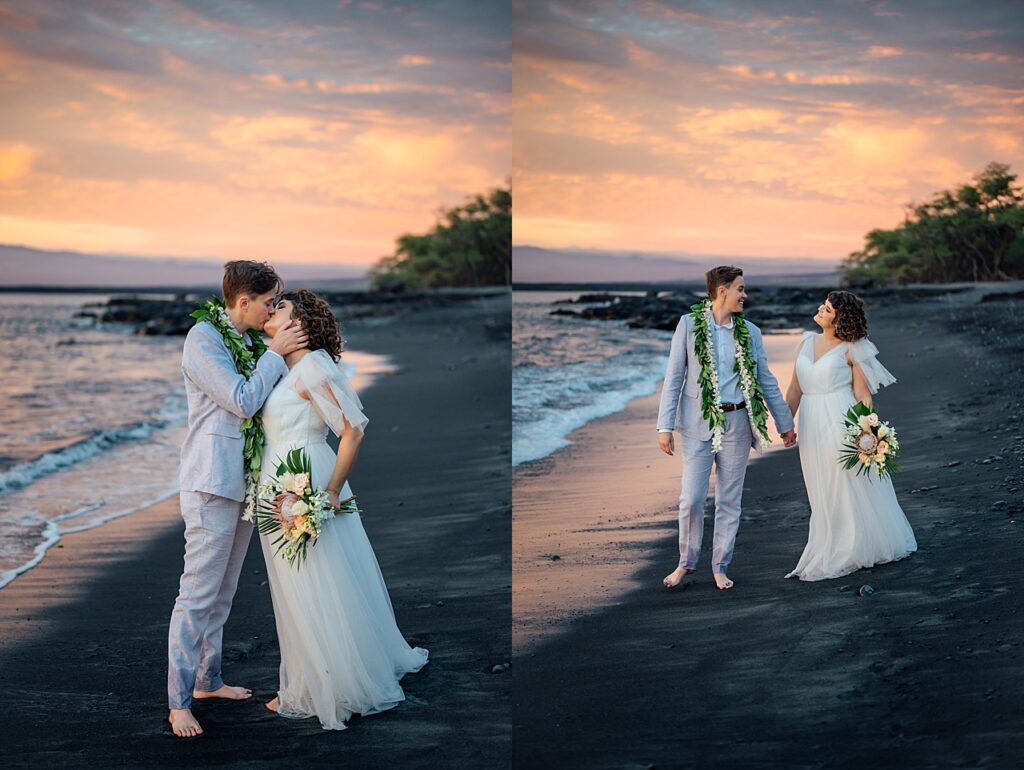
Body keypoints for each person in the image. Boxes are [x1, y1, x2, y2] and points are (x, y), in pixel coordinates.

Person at [258, 289, 427, 731]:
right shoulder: (280, 366)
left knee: (315, 580)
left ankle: (327, 685)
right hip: (279, 481)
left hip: (305, 479)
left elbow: (352, 432)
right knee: (297, 584)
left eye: (282, 308)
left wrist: (329, 493)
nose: (272, 312)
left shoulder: (312, 366)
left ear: (302, 325)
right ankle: (307, 678)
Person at [168, 260, 308, 738]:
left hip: (245, 483)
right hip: (210, 482)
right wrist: (275, 352)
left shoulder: (247, 342)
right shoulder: (203, 339)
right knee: (197, 595)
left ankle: (209, 680)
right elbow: (242, 400)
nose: (272, 309)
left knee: (222, 594)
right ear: (243, 301)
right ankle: (179, 702)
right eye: (269, 301)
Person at [657, 265, 796, 590]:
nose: (744, 295)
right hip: (697, 424)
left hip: (738, 423)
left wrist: (785, 423)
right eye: (740, 288)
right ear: (722, 291)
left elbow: (766, 381)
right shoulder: (689, 325)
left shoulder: (751, 332)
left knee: (729, 499)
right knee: (690, 498)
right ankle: (685, 563)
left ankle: (720, 566)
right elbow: (674, 376)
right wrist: (664, 426)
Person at [784, 291, 916, 581]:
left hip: (840, 419)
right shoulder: (805, 342)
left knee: (841, 482)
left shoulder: (851, 348)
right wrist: (785, 424)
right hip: (811, 420)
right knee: (820, 484)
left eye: (827, 309)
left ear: (839, 319)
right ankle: (829, 541)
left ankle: (853, 547)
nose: (820, 309)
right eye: (823, 305)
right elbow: (795, 388)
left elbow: (862, 395)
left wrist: (868, 432)